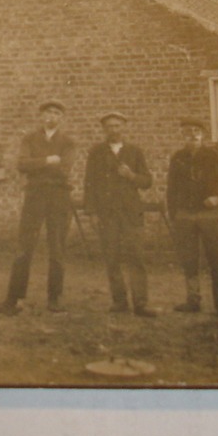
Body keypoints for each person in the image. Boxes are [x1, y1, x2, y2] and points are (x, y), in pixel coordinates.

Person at [0, 98, 78, 315]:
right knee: (24, 248)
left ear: (62, 118)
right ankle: (14, 299)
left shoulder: (68, 142)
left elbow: (65, 169)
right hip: (35, 196)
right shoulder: (29, 139)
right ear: (41, 116)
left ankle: (55, 298)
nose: (52, 116)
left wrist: (38, 165)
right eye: (48, 112)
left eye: (57, 113)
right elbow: (22, 164)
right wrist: (49, 160)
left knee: (57, 248)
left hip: (59, 197)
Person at [83, 111, 156, 316]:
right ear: (104, 129)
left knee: (137, 257)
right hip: (107, 214)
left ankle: (141, 303)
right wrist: (92, 213)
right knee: (112, 257)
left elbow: (147, 181)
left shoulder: (134, 152)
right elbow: (89, 184)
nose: (113, 130)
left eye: (117, 126)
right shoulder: (96, 152)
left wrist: (131, 175)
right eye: (109, 126)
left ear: (124, 127)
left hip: (131, 213)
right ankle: (119, 301)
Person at [165, 117, 218, 315]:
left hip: (211, 216)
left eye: (196, 131)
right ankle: (193, 300)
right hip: (185, 216)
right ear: (182, 135)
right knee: (189, 260)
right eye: (187, 132)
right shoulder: (178, 158)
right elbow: (171, 189)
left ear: (202, 134)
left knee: (215, 259)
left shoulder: (214, 157)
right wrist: (175, 215)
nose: (192, 135)